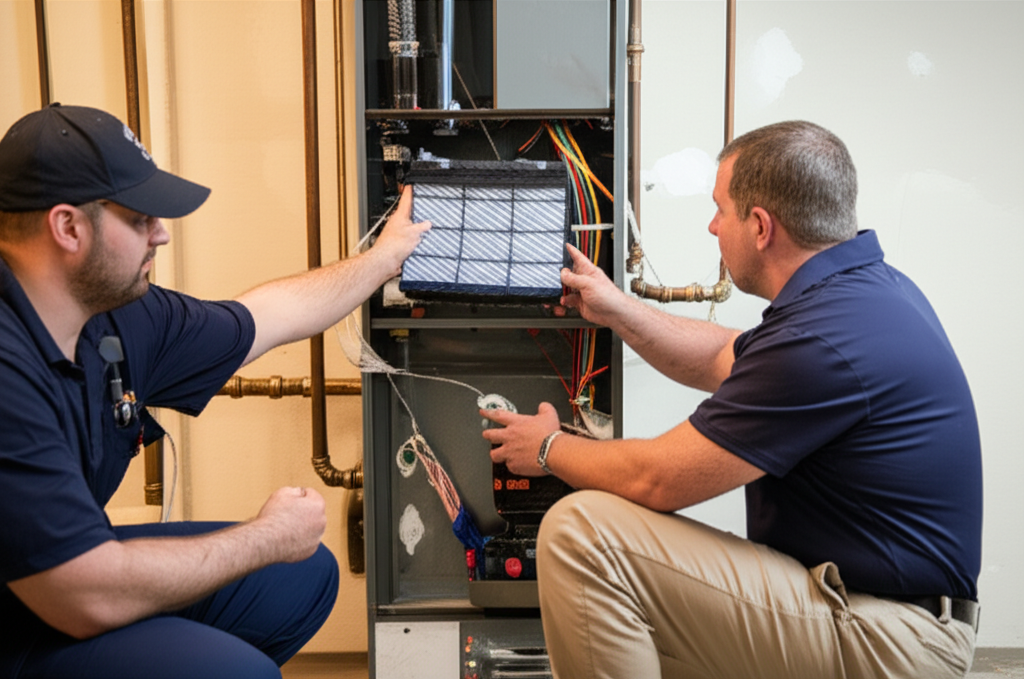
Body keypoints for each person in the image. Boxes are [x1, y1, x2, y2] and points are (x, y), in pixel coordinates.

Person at [481, 120, 982, 679]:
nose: (713, 225)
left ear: (761, 226)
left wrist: (546, 448)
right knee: (628, 633)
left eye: (721, 209)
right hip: (886, 616)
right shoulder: (863, 295)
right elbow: (723, 356)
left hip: (890, 641)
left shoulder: (821, 340)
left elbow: (658, 479)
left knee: (582, 535)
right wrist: (615, 307)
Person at [0, 103, 429, 679]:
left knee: (298, 577)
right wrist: (265, 536)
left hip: (46, 578)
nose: (163, 234)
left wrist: (384, 259)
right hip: (45, 600)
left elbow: (264, 317)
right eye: (139, 219)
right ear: (68, 227)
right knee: (236, 668)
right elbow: (86, 597)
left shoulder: (109, 315)